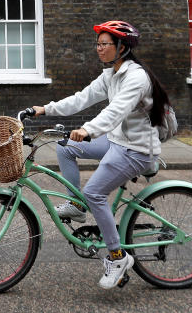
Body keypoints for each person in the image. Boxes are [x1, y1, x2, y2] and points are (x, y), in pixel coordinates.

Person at [30, 20, 171, 289]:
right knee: (65, 146)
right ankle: (77, 205)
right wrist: (45, 109)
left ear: (122, 47)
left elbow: (115, 111)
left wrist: (87, 129)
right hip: (117, 141)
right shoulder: (111, 75)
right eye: (98, 43)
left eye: (105, 43)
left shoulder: (136, 77)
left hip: (137, 150)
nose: (99, 48)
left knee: (94, 191)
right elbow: (81, 98)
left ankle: (118, 258)